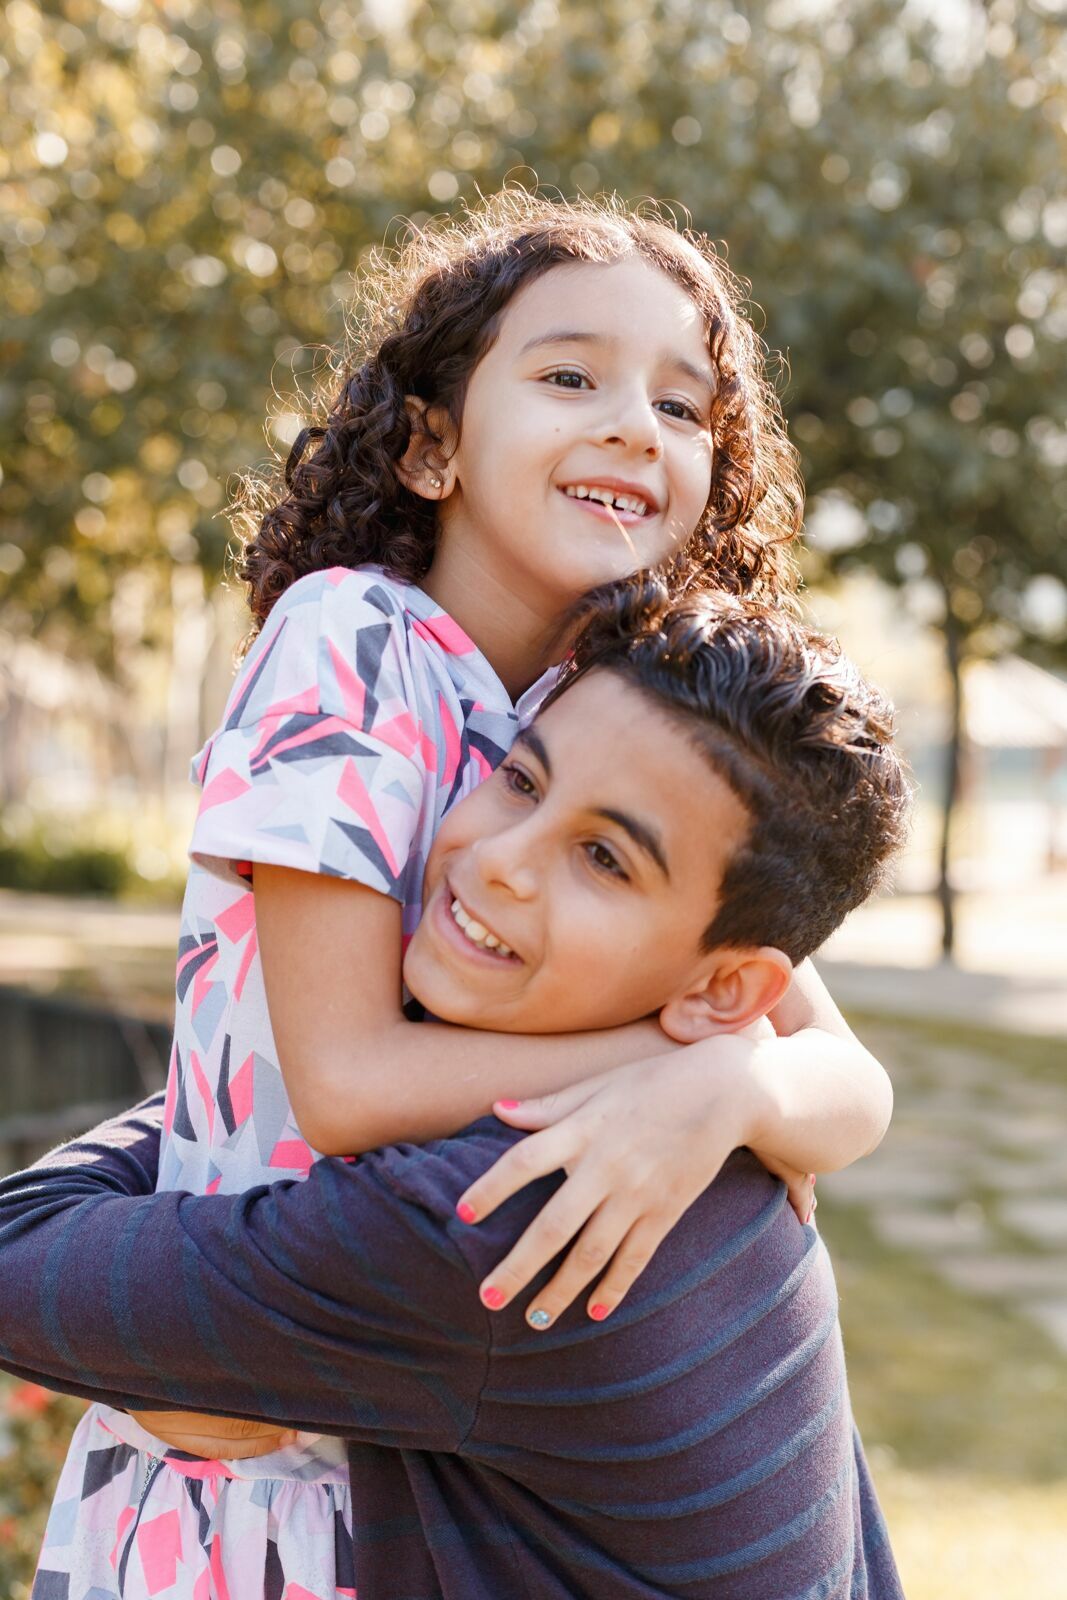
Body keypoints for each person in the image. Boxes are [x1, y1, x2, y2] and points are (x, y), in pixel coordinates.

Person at [28, 189, 895, 1598]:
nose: (633, 426)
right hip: (246, 1417)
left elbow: (847, 1084)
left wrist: (730, 1084)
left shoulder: (603, 710)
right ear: (432, 444)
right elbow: (349, 1085)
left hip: (422, 1422)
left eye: (680, 406)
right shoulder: (349, 642)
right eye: (570, 378)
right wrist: (678, 1061)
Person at [0, 580, 908, 1598]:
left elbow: (17, 1254)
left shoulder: (495, 1216)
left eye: (603, 858)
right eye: (519, 780)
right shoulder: (713, 1141)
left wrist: (284, 1036)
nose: (501, 859)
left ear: (722, 992)